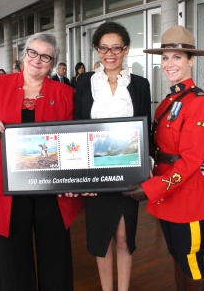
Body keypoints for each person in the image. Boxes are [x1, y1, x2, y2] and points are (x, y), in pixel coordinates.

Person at [0, 32, 83, 290]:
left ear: (52, 63)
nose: (37, 59)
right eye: (33, 52)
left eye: (46, 56)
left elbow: (73, 137)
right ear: (24, 54)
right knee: (12, 255)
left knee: (55, 254)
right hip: (8, 185)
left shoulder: (65, 93)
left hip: (52, 188)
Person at [123, 25, 204, 290]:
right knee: (177, 256)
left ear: (191, 60)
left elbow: (190, 161)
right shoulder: (168, 101)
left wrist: (151, 187)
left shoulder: (199, 102)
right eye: (165, 57)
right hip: (167, 195)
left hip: (187, 198)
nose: (169, 63)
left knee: (192, 261)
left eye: (177, 57)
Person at [74, 21, 151, 291]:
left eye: (116, 47)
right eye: (103, 47)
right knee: (101, 236)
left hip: (128, 169)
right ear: (96, 50)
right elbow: (77, 126)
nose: (110, 53)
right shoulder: (84, 82)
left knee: (123, 235)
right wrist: (81, 175)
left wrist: (145, 172)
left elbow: (145, 129)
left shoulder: (140, 85)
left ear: (126, 49)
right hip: (94, 170)